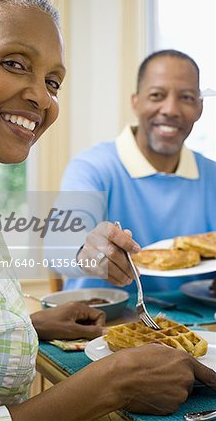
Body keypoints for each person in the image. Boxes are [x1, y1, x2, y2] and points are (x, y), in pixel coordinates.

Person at [0, 0, 215, 420]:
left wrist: (28, 325)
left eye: (52, 81)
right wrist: (110, 382)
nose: (41, 95)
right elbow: (61, 243)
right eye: (14, 63)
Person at [48, 49, 216, 293]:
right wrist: (85, 250)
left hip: (197, 321)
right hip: (103, 320)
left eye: (187, 97)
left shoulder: (211, 175)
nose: (170, 109)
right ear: (135, 102)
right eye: (157, 95)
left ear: (200, 108)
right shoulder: (93, 167)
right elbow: (57, 247)